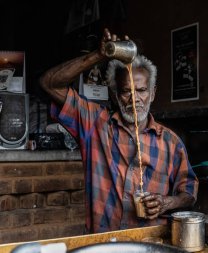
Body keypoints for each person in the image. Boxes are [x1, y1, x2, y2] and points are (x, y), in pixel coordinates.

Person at [40, 28, 199, 233]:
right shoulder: (95, 123)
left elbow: (189, 193)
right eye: (126, 91)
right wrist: (98, 56)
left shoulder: (171, 142)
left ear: (152, 94)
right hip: (105, 243)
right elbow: (49, 83)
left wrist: (167, 203)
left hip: (150, 242)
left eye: (141, 90)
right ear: (115, 96)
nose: (134, 99)